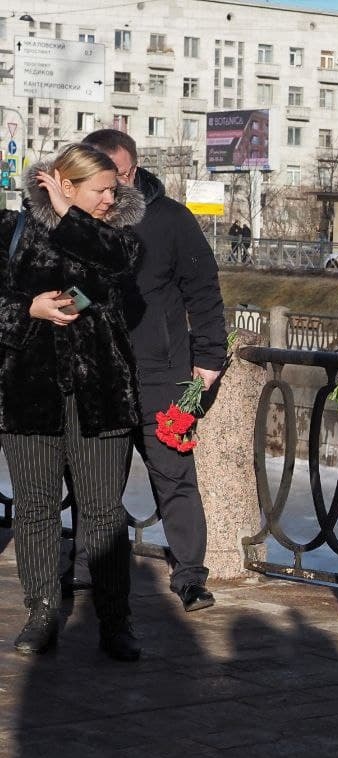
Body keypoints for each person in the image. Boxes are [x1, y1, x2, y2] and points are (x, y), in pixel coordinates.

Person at [0, 144, 146, 660]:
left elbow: (115, 268)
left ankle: (115, 620)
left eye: (114, 188)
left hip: (101, 392)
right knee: (35, 508)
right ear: (64, 182)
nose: (112, 198)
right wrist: (27, 309)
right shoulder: (12, 231)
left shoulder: (119, 234)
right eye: (101, 189)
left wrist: (69, 216)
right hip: (28, 390)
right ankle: (41, 611)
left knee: (103, 512)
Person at [80, 129, 227, 614]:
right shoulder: (79, 222)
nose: (111, 189)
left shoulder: (169, 219)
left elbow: (203, 292)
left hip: (162, 375)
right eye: (101, 179)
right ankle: (91, 566)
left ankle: (190, 577)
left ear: (135, 168)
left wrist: (208, 362)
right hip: (100, 374)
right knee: (97, 483)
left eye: (118, 176)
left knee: (175, 479)